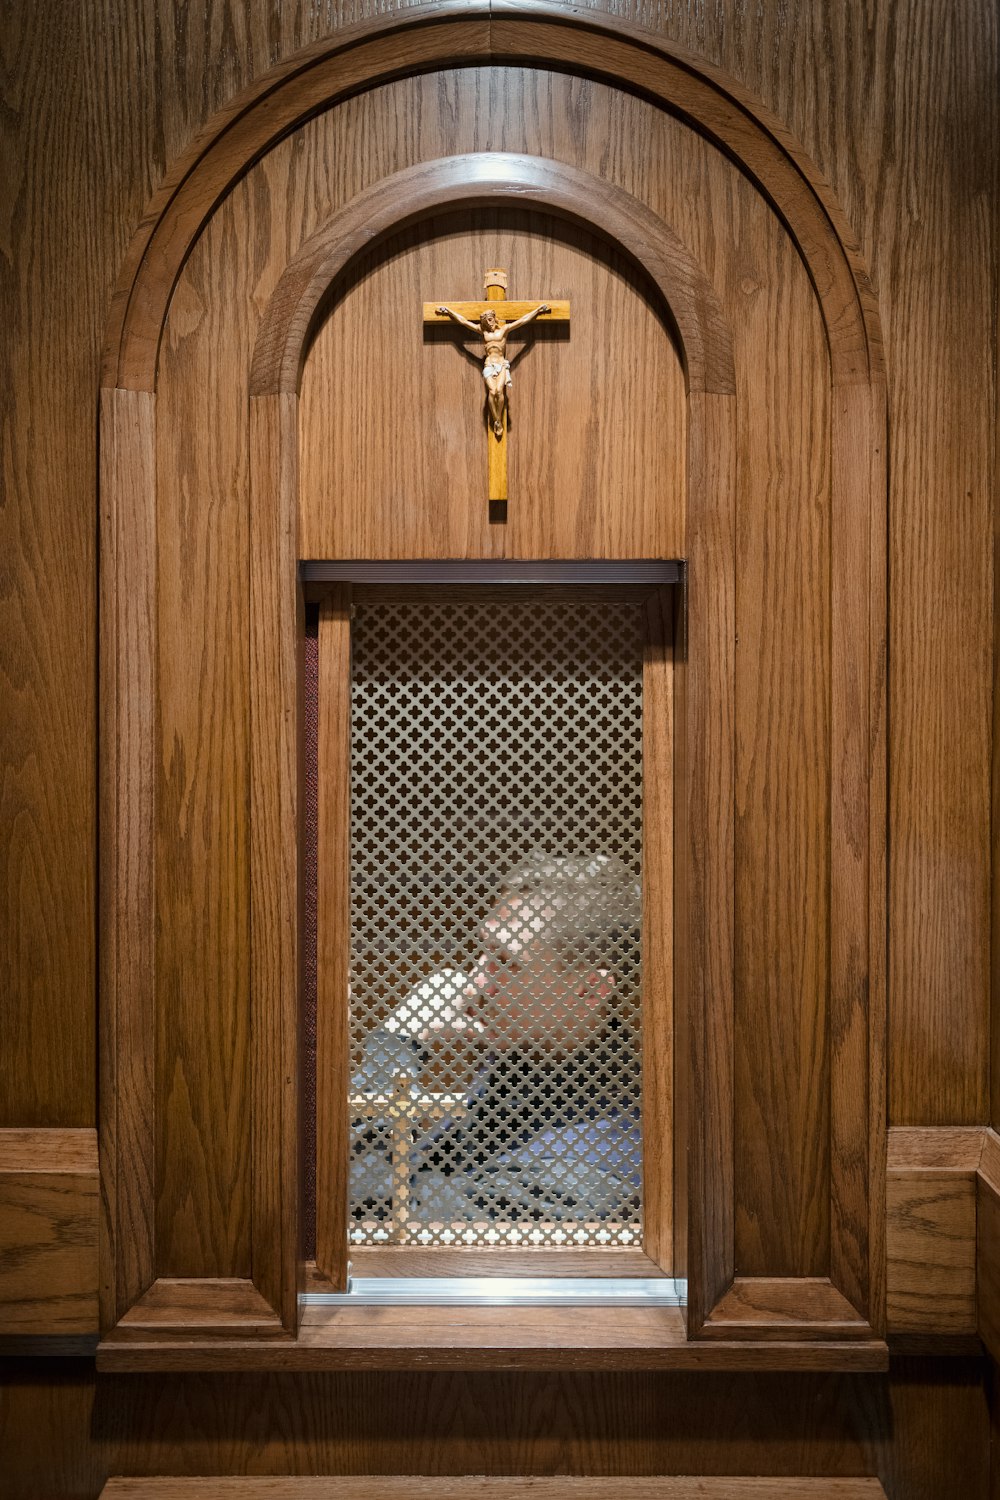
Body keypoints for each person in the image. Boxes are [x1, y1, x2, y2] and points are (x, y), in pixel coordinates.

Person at [350, 854, 641, 1235]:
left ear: (589, 990)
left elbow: (364, 1211)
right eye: (485, 953)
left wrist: (399, 1039)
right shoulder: (531, 1060)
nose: (473, 985)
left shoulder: (591, 1168)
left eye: (506, 962)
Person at [435, 302, 551, 437]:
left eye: (490, 320)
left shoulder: (504, 329)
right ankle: (497, 420)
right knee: (492, 391)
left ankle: (499, 419)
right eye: (485, 321)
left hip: (501, 364)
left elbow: (523, 320)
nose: (488, 323)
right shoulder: (482, 331)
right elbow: (464, 322)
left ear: (494, 318)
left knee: (499, 391)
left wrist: (538, 310)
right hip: (489, 364)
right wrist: (449, 311)